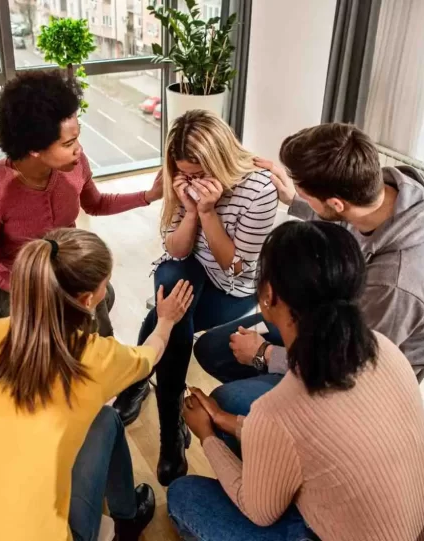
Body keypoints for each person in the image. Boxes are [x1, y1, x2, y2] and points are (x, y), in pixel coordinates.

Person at [169, 221, 424, 541]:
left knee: (184, 496)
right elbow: (313, 437)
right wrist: (225, 420)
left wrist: (207, 435)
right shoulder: (384, 347)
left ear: (268, 295)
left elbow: (259, 511)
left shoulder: (279, 410)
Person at [0, 229, 194, 541]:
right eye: (105, 287)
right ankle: (126, 521)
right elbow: (150, 354)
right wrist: (167, 320)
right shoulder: (94, 357)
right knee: (106, 419)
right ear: (87, 300)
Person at [195, 123, 424, 404]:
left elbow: (348, 366)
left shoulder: (396, 284)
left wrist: (265, 355)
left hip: (357, 381)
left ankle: (287, 419)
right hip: (328, 322)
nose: (299, 193)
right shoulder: (378, 196)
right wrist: (295, 200)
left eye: (305, 193)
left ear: (336, 203)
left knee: (227, 401)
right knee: (212, 347)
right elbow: (341, 221)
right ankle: (276, 395)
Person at [113, 110, 278, 487]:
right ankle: (172, 428)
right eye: (185, 173)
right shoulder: (180, 179)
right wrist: (189, 211)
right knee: (171, 284)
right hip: (190, 272)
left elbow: (234, 268)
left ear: (220, 161)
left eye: (200, 174)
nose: (192, 181)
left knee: (167, 314)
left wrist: (207, 212)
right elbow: (175, 249)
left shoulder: (258, 189)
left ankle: (141, 379)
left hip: (232, 288)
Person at [0, 69, 163, 328]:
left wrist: (148, 196)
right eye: (68, 143)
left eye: (77, 137)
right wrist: (30, 288)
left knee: (92, 306)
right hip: (18, 281)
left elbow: (96, 203)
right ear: (34, 148)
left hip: (66, 270)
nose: (79, 149)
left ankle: (105, 360)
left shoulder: (75, 165)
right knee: (73, 317)